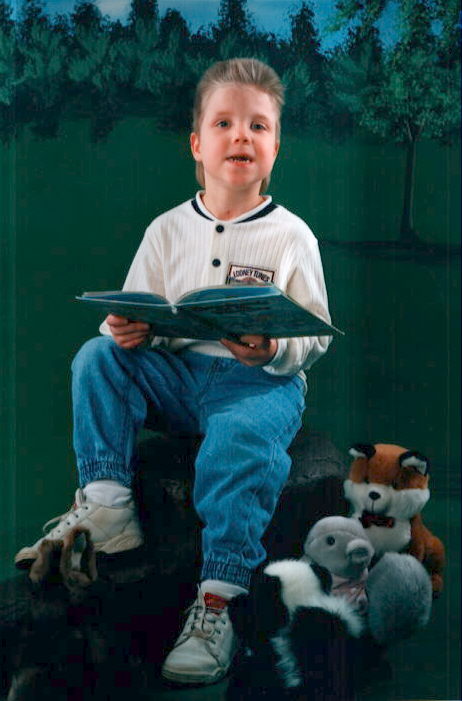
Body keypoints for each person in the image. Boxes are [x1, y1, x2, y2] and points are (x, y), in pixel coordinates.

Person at [15, 58, 332, 685]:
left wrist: (273, 348)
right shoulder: (166, 229)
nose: (241, 136)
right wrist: (130, 330)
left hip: (259, 385)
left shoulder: (293, 236)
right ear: (197, 144)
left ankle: (220, 597)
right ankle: (108, 505)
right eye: (224, 123)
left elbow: (316, 333)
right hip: (179, 379)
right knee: (96, 357)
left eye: (258, 126)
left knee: (240, 440)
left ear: (275, 148)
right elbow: (138, 312)